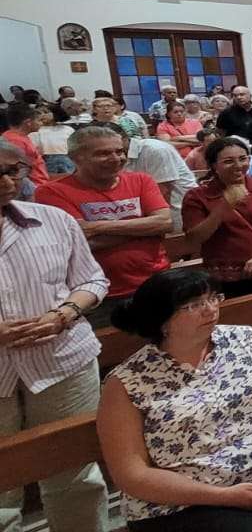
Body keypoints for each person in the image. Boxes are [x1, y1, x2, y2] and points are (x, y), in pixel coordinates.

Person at [99, 269, 252, 532]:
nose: (210, 309)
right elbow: (132, 475)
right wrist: (227, 496)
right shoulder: (126, 382)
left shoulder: (248, 340)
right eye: (194, 305)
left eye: (213, 298)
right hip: (181, 499)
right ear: (163, 321)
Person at [0, 139, 111, 532]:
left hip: (62, 358)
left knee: (73, 470)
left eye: (13, 171)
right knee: (2, 485)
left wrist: (64, 313)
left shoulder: (52, 219)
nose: (6, 181)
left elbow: (92, 279)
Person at [35, 125, 172, 324]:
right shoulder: (52, 192)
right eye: (103, 153)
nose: (116, 158)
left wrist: (96, 227)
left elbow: (165, 222)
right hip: (98, 292)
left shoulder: (141, 180)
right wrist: (145, 229)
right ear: (75, 157)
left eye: (119, 151)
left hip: (156, 281)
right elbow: (78, 244)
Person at [181, 138, 252, 298]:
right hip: (225, 278)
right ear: (214, 166)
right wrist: (223, 207)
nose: (238, 166)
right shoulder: (197, 196)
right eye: (228, 161)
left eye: (243, 159)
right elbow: (194, 238)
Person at [122, 128, 198, 234]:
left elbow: (164, 193)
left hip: (178, 211)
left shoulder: (155, 149)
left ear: (124, 139)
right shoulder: (118, 155)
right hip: (144, 212)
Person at [1, 103, 48, 186]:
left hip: (39, 182)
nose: (41, 123)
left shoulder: (20, 137)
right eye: (39, 120)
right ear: (28, 122)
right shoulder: (14, 141)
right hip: (34, 186)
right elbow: (19, 171)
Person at [218, 86, 252, 154]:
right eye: (235, 95)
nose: (239, 97)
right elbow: (221, 132)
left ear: (250, 96)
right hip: (236, 149)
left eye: (242, 94)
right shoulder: (227, 113)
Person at [32, 103, 76, 175]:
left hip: (67, 158)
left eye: (46, 112)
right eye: (38, 113)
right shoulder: (35, 131)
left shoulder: (67, 129)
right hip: (45, 159)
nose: (42, 115)